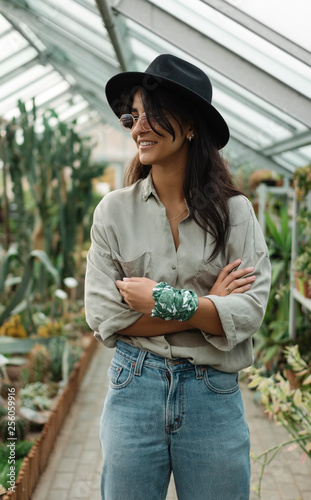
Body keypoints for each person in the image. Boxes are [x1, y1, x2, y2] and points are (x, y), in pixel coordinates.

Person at [84, 53, 271, 500]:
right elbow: (106, 318)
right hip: (134, 390)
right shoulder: (113, 211)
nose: (138, 126)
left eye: (154, 114)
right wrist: (203, 309)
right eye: (134, 115)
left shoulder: (236, 214)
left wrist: (159, 302)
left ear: (190, 126)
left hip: (213, 396)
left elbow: (248, 312)